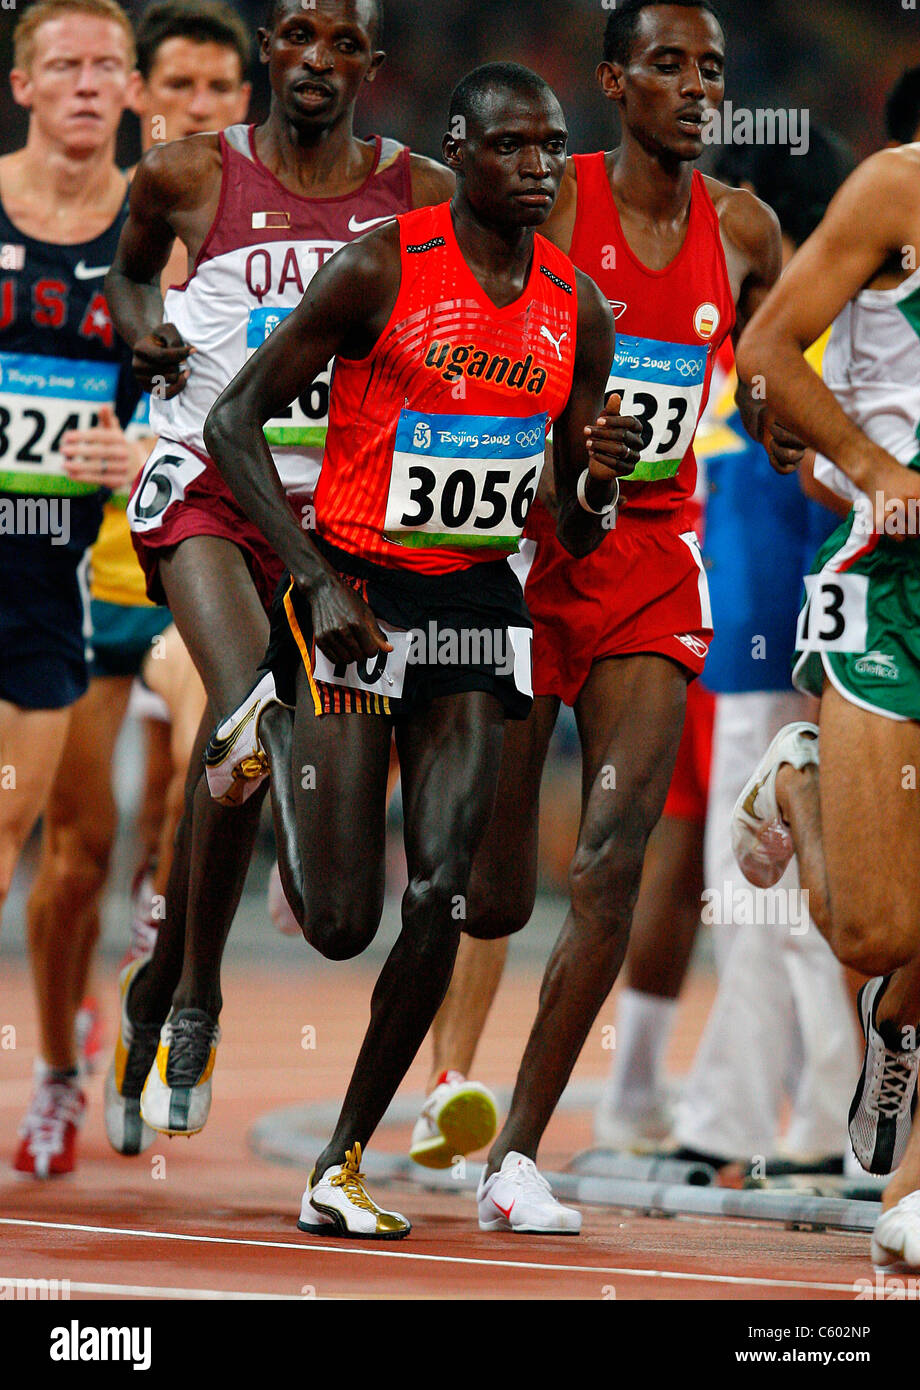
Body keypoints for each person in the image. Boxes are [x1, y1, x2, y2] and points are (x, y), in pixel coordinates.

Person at [203, 60, 624, 1237]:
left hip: (476, 609)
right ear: (459, 148)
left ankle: (339, 1161)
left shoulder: (574, 306)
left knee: (441, 891)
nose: (537, 169)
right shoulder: (381, 265)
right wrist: (310, 577)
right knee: (339, 919)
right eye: (511, 148)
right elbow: (235, 420)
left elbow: (575, 530)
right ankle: (269, 723)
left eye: (551, 149)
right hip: (355, 597)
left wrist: (595, 469)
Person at [412, 0, 807, 1232]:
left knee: (610, 864)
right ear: (610, 80)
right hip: (521, 557)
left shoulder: (741, 228)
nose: (696, 89)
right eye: (667, 67)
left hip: (651, 562)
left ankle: (515, 1157)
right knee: (491, 890)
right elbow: (447, 322)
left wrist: (811, 434)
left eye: (713, 71)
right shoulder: (551, 194)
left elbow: (790, 361)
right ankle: (430, 1069)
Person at [102, 0, 454, 1159]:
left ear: (370, 64)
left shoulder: (422, 192)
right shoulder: (188, 172)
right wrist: (147, 330)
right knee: (247, 705)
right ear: (271, 47)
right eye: (297, 32)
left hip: (338, 512)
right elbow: (131, 279)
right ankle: (197, 996)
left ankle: (162, 984)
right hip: (209, 480)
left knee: (250, 752)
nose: (315, 58)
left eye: (341, 41)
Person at [16, 0, 248, 1178]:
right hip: (84, 563)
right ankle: (60, 1063)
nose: (198, 109)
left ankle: (160, 988)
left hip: (197, 559)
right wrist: (96, 440)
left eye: (221, 90)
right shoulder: (120, 224)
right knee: (73, 850)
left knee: (199, 782)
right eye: (179, 87)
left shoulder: (269, 237)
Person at [733, 140, 920, 1268]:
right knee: (875, 928)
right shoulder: (896, 187)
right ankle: (796, 780)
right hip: (886, 585)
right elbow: (763, 357)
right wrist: (872, 464)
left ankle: (910, 1179)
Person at [0, 0, 142, 1177]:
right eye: (65, 65)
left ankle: (61, 1070)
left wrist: (144, 450)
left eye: (107, 67)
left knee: (17, 827)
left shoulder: (158, 233)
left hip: (55, 570)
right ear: (23, 84)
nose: (87, 84)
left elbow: (208, 389)